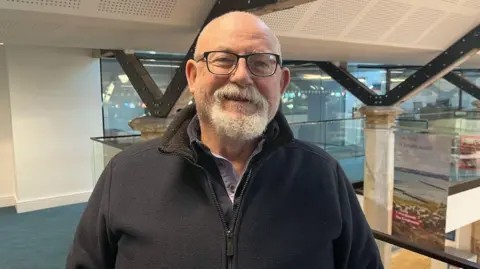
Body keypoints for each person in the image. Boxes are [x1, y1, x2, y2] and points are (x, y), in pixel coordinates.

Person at [66, 11, 383, 269]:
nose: (242, 76)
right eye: (222, 59)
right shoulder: (126, 174)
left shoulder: (323, 174)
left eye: (261, 63)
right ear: (192, 77)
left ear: (282, 83)